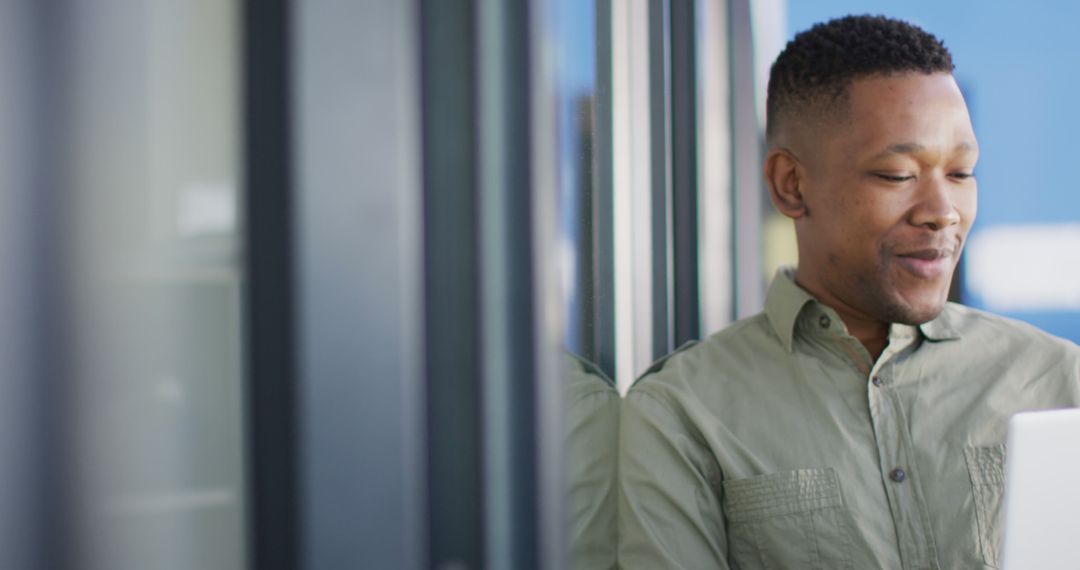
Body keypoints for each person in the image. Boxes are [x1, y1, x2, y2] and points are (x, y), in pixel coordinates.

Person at [618, 14, 1080, 569]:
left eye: (961, 172)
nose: (943, 213)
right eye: (896, 175)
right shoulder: (682, 412)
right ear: (792, 185)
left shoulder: (1059, 381)